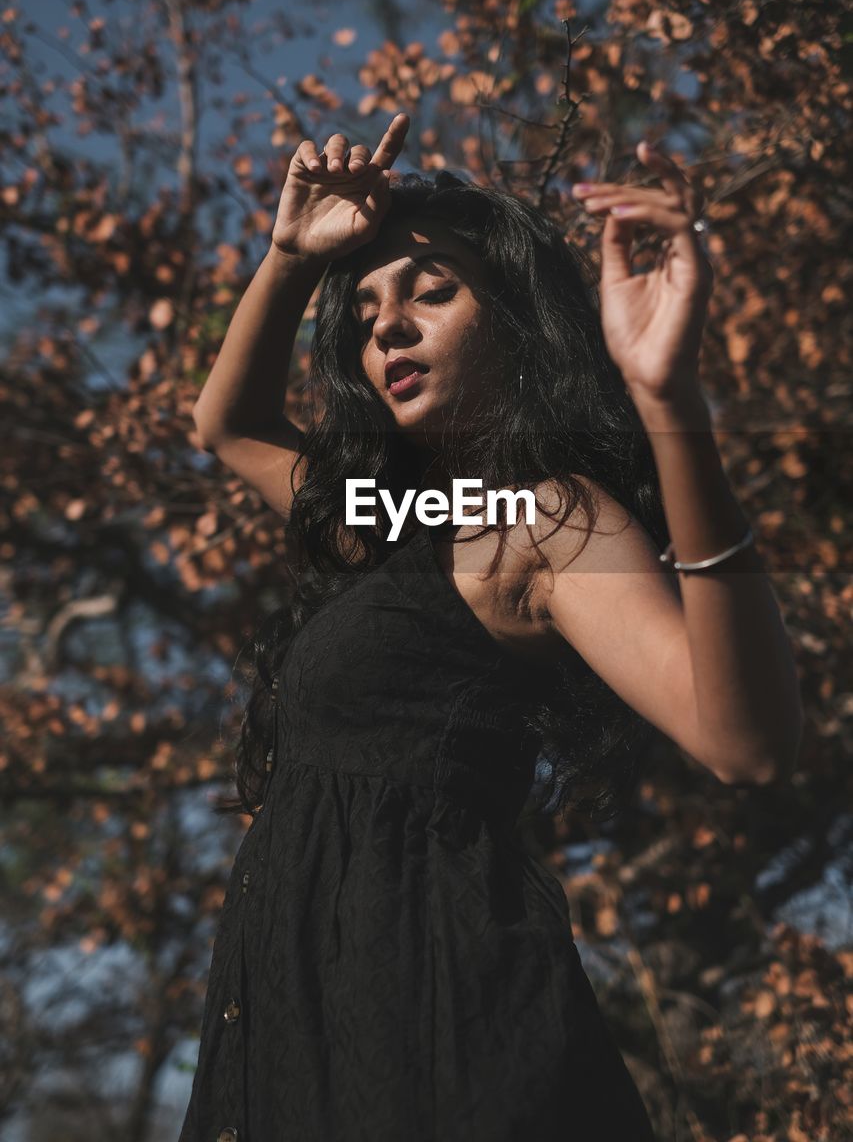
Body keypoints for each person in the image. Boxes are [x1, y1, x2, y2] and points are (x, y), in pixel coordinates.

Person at [181, 114, 804, 1141]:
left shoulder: (542, 524)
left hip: (437, 1038)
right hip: (298, 1032)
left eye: (432, 290)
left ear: (515, 323)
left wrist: (668, 400)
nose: (388, 326)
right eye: (369, 311)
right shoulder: (393, 527)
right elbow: (227, 424)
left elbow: (743, 742)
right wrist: (290, 259)